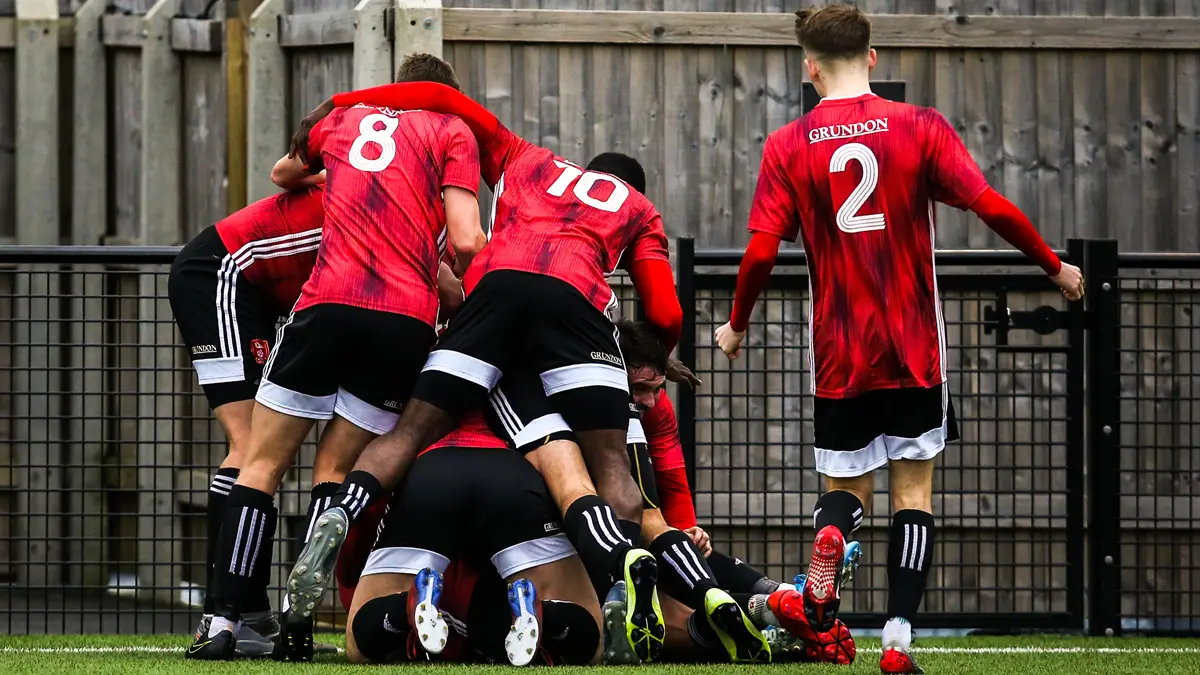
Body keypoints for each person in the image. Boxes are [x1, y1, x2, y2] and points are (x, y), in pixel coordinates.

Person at [712, 6, 1086, 674]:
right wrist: (1053, 265)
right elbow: (990, 205)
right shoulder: (920, 127)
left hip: (839, 354)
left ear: (810, 67)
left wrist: (737, 324)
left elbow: (761, 254)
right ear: (873, 57)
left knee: (844, 494)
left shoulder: (789, 145)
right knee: (914, 497)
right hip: (916, 348)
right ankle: (897, 640)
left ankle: (831, 547)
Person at [285, 78, 682, 664]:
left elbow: (442, 98)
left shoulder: (527, 158)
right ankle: (619, 570)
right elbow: (666, 311)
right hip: (572, 321)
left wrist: (343, 101)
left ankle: (341, 515)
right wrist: (646, 356)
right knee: (607, 473)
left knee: (406, 437)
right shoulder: (638, 209)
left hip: (489, 302)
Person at [190, 54, 486, 660]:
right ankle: (301, 624)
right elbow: (465, 238)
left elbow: (280, 173)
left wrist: (325, 176)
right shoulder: (453, 132)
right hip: (403, 321)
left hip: (327, 306)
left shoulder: (344, 118)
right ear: (447, 96)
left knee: (262, 465)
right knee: (335, 469)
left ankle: (222, 623)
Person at [170, 182, 327, 657]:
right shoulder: (364, 180)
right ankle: (225, 616)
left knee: (257, 449)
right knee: (250, 446)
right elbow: (287, 165)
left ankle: (247, 613)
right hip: (217, 275)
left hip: (251, 295)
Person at [344, 409, 602, 667]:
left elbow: (348, 568)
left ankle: (406, 606)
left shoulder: (415, 386)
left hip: (431, 473)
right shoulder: (523, 384)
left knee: (360, 648)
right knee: (592, 644)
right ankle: (545, 612)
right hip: (510, 473)